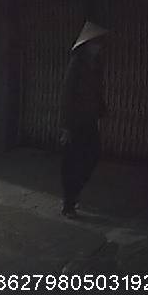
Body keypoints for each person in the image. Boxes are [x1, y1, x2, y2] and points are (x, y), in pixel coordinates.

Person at [60, 22, 107, 219]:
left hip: (89, 119)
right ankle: (68, 203)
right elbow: (67, 94)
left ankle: (75, 193)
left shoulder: (94, 65)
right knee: (73, 161)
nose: (98, 47)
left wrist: (101, 109)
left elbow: (96, 92)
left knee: (93, 154)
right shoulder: (77, 64)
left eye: (99, 43)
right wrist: (66, 126)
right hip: (75, 121)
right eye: (95, 43)